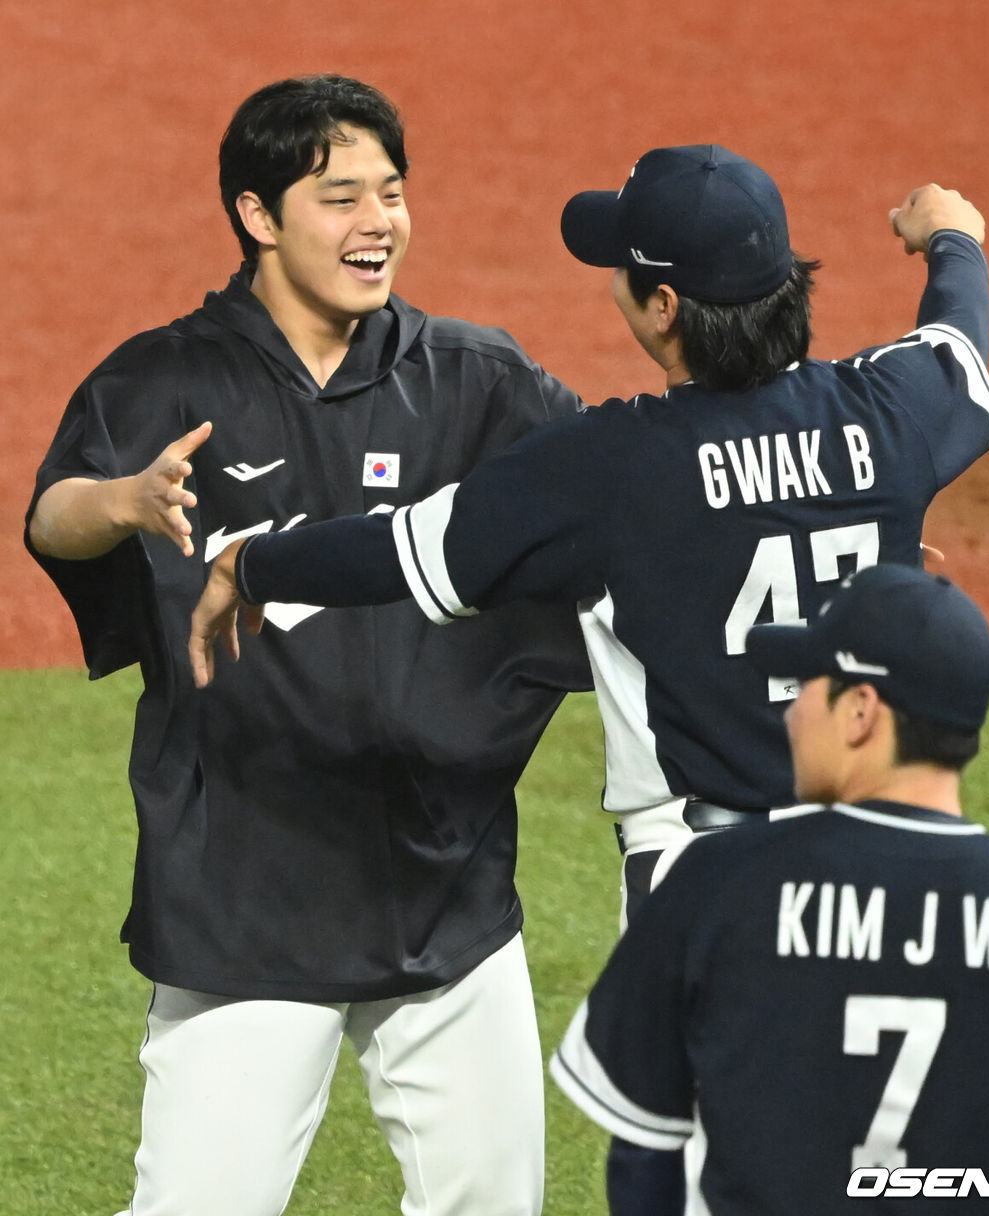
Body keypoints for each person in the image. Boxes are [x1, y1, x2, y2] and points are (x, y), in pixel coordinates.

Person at [189, 145, 989, 1212]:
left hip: (707, 886)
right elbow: (958, 341)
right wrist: (953, 238)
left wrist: (250, 561)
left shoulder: (610, 462)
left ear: (662, 306)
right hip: (894, 867)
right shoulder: (891, 411)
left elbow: (400, 549)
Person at [25, 74, 593, 1216]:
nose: (377, 221)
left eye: (391, 192)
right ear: (258, 215)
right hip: (245, 895)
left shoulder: (478, 383)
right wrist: (127, 501)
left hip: (447, 888)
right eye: (339, 197)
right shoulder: (168, 376)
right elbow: (53, 514)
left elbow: (620, 489)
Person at [550, 563, 989, 1214]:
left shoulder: (713, 884)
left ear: (860, 712)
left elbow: (644, 1148)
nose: (791, 712)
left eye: (807, 685)